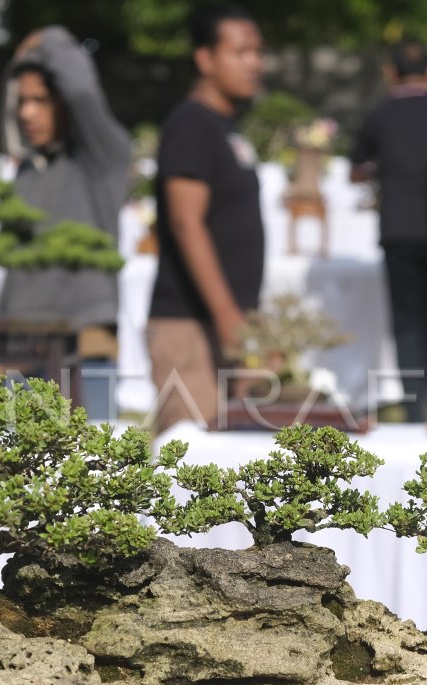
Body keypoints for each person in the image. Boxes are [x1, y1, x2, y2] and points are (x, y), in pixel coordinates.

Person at [0, 25, 131, 420]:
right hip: (23, 346)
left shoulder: (100, 158)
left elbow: (82, 90)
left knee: (92, 452)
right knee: (13, 454)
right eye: (22, 101)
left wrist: (46, 39)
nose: (27, 112)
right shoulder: (26, 171)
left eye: (40, 100)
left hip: (86, 344)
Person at [146, 4, 264, 433]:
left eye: (257, 52)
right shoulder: (191, 124)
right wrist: (227, 316)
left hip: (229, 324)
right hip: (191, 325)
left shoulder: (225, 127)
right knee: (195, 461)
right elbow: (186, 222)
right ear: (205, 58)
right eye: (240, 52)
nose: (254, 63)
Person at [350, 39, 427, 422]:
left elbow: (356, 168)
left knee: (407, 320)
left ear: (390, 73)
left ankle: (415, 408)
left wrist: (383, 168)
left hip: (397, 227)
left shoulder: (380, 114)